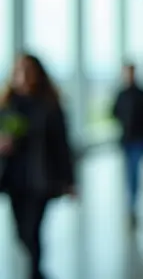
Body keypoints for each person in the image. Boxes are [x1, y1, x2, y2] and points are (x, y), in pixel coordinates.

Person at [0, 54, 75, 279]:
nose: (22, 77)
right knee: (21, 233)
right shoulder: (7, 106)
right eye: (18, 71)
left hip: (41, 177)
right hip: (14, 178)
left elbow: (62, 145)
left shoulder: (50, 106)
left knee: (33, 229)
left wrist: (70, 180)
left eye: (27, 71)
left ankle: (35, 272)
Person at [112, 63, 143, 227]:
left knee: (136, 170)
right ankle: (131, 202)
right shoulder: (121, 94)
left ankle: (133, 201)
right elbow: (114, 112)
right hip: (126, 139)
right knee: (129, 172)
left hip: (140, 138)